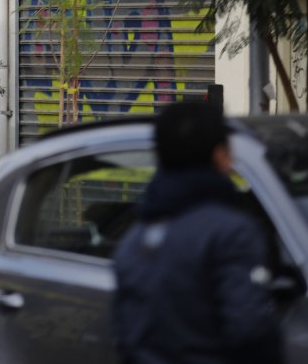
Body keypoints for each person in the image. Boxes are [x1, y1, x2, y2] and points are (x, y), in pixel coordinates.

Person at [112, 102, 283, 364]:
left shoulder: (132, 242)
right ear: (220, 155)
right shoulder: (231, 232)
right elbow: (251, 331)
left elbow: (125, 339)